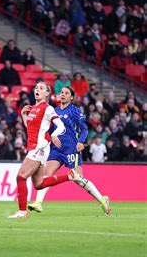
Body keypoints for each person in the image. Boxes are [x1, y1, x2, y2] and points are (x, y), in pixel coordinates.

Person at [28, 87, 111, 215]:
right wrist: (47, 139)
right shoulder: (54, 111)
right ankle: (38, 203)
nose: (63, 95)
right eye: (62, 93)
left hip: (71, 149)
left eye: (66, 93)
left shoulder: (74, 111)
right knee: (47, 174)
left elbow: (84, 129)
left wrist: (80, 142)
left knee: (78, 179)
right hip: (56, 149)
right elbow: (49, 131)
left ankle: (102, 199)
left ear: (72, 97)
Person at [8, 82, 81, 219]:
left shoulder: (47, 108)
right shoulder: (33, 108)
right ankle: (70, 176)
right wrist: (24, 115)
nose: (37, 90)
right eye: (36, 88)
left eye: (41, 88)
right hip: (34, 147)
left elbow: (60, 126)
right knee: (39, 184)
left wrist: (53, 135)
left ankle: (22, 212)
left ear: (47, 93)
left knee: (21, 177)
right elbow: (30, 128)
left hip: (39, 147)